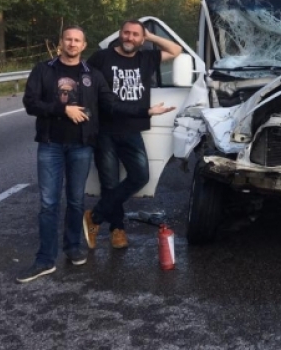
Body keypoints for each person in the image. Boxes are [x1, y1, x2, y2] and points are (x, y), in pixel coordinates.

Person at [18, 25, 174, 283]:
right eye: (68, 39)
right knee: (48, 203)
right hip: (50, 144)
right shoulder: (43, 70)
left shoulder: (92, 74)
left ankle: (73, 248)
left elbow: (111, 103)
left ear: (83, 45)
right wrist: (63, 109)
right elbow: (30, 103)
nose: (72, 43)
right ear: (61, 42)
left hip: (81, 145)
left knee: (76, 201)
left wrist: (145, 112)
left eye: (77, 40)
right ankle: (45, 259)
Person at [83, 19, 183, 250]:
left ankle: (94, 217)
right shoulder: (101, 58)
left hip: (132, 128)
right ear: (120, 34)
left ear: (141, 39)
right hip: (104, 129)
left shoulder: (146, 58)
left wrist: (151, 36)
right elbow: (86, 84)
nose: (130, 37)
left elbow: (175, 50)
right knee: (109, 183)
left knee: (140, 176)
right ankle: (117, 229)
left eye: (136, 35)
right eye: (126, 33)